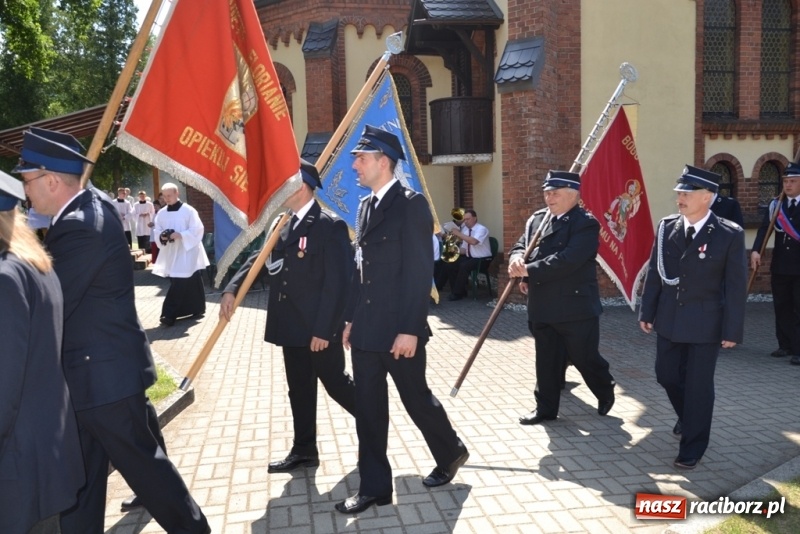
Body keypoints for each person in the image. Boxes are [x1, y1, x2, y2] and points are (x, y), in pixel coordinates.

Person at [14, 128, 210, 533]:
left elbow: (51, 301)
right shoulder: (89, 207)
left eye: (27, 180)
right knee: (81, 485)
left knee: (149, 476)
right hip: (96, 375)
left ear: (51, 180)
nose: (25, 192)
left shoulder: (80, 225)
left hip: (102, 380)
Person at [337, 125, 469, 515]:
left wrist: (410, 328)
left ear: (383, 161)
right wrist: (349, 320)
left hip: (399, 330)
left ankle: (450, 451)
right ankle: (374, 488)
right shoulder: (363, 207)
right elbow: (360, 272)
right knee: (369, 410)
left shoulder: (410, 205)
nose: (355, 164)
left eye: (361, 158)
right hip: (365, 330)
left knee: (416, 401)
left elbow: (417, 272)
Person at [220, 160, 356, 472]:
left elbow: (339, 284)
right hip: (292, 324)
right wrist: (233, 288)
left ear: (301, 186)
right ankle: (304, 450)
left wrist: (324, 330)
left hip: (318, 328)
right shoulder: (284, 222)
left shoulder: (328, 225)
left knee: (335, 384)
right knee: (299, 388)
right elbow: (260, 256)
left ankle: (374, 425)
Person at [639, 165, 746, 470]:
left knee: (699, 386)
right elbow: (656, 275)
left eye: (687, 192)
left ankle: (693, 445)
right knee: (666, 375)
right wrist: (648, 311)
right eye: (679, 192)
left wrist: (732, 329)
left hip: (706, 323)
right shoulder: (667, 227)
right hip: (670, 319)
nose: (680, 198)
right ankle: (689, 418)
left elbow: (736, 287)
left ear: (708, 197)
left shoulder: (729, 234)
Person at [0, 170, 84, 534]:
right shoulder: (35, 265)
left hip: (17, 463)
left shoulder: (5, 276)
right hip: (42, 451)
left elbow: (4, 387)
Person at [508, 170, 616, 426]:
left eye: (555, 193)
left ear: (573, 195)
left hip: (574, 306)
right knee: (546, 359)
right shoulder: (537, 220)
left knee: (584, 357)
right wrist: (516, 260)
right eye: (546, 192)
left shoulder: (585, 223)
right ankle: (545, 409)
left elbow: (568, 260)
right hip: (542, 303)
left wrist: (529, 271)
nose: (549, 197)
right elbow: (522, 245)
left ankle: (604, 387)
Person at [751, 162, 800, 364]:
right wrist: (756, 250)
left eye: (793, 181)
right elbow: (765, 229)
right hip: (780, 264)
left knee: (798, 307)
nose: (788, 185)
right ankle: (785, 344)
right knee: (782, 306)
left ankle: (798, 349)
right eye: (786, 181)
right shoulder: (775, 205)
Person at [152, 183, 209, 326]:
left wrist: (181, 235)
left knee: (180, 280)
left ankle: (169, 314)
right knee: (189, 279)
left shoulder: (189, 211)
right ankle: (197, 308)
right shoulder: (162, 213)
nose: (166, 199)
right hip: (172, 251)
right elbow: (157, 230)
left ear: (177, 193)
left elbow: (197, 229)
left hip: (188, 250)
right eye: (164, 196)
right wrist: (162, 236)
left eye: (169, 195)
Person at [435, 209, 492, 301]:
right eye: (464, 220)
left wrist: (458, 234)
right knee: (450, 264)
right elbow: (464, 250)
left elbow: (473, 241)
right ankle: (458, 291)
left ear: (475, 218)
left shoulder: (481, 229)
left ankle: (457, 293)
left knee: (463, 266)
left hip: (482, 259)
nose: (466, 222)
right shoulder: (466, 232)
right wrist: (452, 252)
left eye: (468, 219)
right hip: (471, 257)